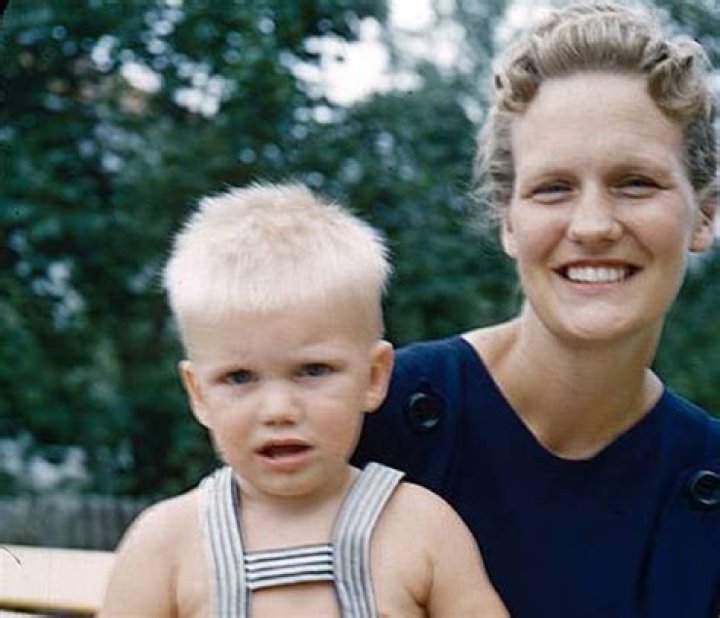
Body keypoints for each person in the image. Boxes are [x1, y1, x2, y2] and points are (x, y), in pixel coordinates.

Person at [353, 1, 719, 616]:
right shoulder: (370, 414)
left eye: (635, 182)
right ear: (508, 221)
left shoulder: (707, 485)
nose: (593, 225)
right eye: (553, 188)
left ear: (704, 215)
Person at [100, 183, 508, 617]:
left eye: (313, 371)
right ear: (198, 394)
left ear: (374, 377)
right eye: (239, 378)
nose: (278, 410)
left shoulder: (421, 527)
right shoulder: (166, 545)